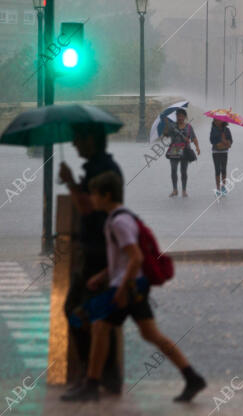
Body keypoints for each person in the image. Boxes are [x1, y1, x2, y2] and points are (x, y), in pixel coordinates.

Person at [61, 171, 206, 402]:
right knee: (149, 334)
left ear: (106, 195)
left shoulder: (119, 222)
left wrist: (120, 289)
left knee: (98, 326)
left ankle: (91, 385)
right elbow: (124, 258)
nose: (93, 199)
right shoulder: (118, 218)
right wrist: (103, 275)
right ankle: (191, 377)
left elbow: (136, 257)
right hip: (132, 285)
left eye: (95, 195)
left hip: (128, 287)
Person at [58, 123, 123, 395]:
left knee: (77, 311)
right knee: (96, 317)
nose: (74, 145)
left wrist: (71, 181)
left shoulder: (101, 171)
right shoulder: (100, 167)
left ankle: (92, 378)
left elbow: (86, 208)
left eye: (78, 139)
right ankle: (103, 377)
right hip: (97, 251)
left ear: (91, 140)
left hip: (98, 254)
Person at [164, 108, 200, 198]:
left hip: (185, 149)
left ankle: (184, 190)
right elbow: (165, 134)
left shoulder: (188, 127)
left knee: (183, 171)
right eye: (178, 116)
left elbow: (194, 138)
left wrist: (197, 147)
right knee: (173, 169)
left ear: (185, 117)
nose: (180, 118)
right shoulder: (172, 126)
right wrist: (166, 125)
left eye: (181, 116)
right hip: (174, 149)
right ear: (176, 116)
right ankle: (175, 190)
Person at [209, 119, 233, 197]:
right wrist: (220, 140)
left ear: (222, 121)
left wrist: (225, 141)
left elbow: (231, 140)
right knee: (217, 170)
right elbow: (212, 140)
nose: (217, 122)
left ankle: (223, 187)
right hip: (216, 152)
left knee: (223, 169)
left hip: (224, 152)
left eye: (218, 120)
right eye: (215, 120)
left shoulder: (227, 130)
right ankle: (218, 188)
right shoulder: (213, 130)